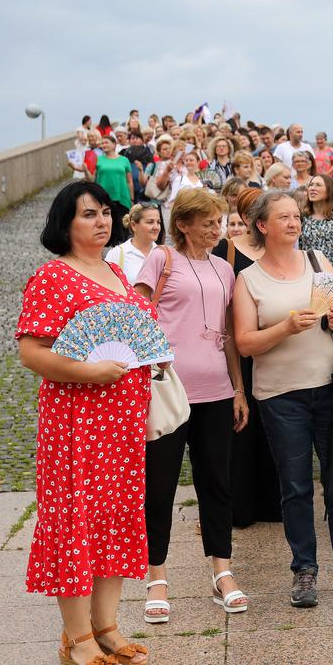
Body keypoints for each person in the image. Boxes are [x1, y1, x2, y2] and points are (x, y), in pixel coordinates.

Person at [16, 181, 151, 665]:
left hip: (124, 423)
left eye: (105, 213)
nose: (101, 221)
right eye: (89, 214)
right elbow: (31, 352)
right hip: (76, 421)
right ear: (65, 223)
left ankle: (107, 626)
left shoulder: (116, 271)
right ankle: (76, 637)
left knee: (113, 519)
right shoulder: (54, 276)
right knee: (76, 520)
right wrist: (89, 371)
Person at [233, 191, 333, 606]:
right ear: (262, 225)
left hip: (331, 388)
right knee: (296, 487)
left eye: (296, 216)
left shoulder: (319, 262)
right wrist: (284, 329)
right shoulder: (247, 279)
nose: (294, 223)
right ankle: (304, 570)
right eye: (283, 217)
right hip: (281, 395)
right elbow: (245, 343)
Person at [134, 188, 250, 623]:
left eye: (218, 222)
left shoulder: (224, 267)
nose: (216, 230)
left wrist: (239, 389)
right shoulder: (161, 260)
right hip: (168, 390)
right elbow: (136, 317)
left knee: (217, 483)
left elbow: (230, 333)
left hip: (217, 391)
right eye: (206, 222)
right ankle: (156, 577)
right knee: (159, 486)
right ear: (182, 224)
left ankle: (222, 572)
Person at [213, 188, 281, 529]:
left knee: (273, 425)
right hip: (240, 346)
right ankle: (241, 506)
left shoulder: (279, 249)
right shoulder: (226, 249)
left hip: (277, 346)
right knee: (242, 426)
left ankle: (273, 502)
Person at [299, 174, 333, 269]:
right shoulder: (301, 218)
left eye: (318, 185)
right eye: (311, 185)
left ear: (329, 190)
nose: (312, 188)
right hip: (307, 272)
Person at [104, 203, 162, 282]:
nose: (156, 227)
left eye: (158, 222)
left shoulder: (163, 254)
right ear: (133, 225)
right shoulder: (117, 254)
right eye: (150, 222)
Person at [94, 135, 133, 245]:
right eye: (102, 143)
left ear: (114, 144)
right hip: (103, 198)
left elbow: (129, 181)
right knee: (108, 226)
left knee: (123, 226)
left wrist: (132, 197)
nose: (104, 145)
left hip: (122, 197)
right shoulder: (98, 159)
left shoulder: (124, 160)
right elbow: (92, 178)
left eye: (106, 142)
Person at [156, 150, 205, 237]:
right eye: (187, 160)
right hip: (182, 214)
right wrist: (173, 218)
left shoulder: (202, 180)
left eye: (191, 160)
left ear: (198, 162)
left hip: (198, 214)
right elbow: (173, 200)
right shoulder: (180, 178)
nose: (189, 162)